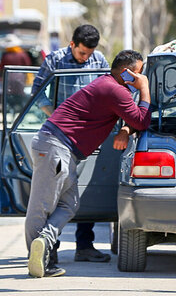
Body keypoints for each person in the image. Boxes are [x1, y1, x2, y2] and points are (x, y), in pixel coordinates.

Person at [26, 49, 150, 278]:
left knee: (70, 204)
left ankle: (43, 240)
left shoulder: (111, 86)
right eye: (139, 74)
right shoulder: (115, 90)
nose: (141, 78)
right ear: (127, 73)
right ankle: (40, 261)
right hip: (56, 146)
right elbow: (142, 120)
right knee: (41, 207)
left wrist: (125, 128)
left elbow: (131, 119)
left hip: (63, 150)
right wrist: (144, 89)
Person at [30, 24, 111, 266]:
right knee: (54, 195)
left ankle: (85, 245)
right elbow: (37, 91)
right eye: (81, 53)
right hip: (59, 138)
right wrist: (55, 115)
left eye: (89, 53)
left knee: (85, 191)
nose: (86, 58)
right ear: (72, 44)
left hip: (87, 138)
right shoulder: (54, 61)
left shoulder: (98, 61)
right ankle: (49, 249)